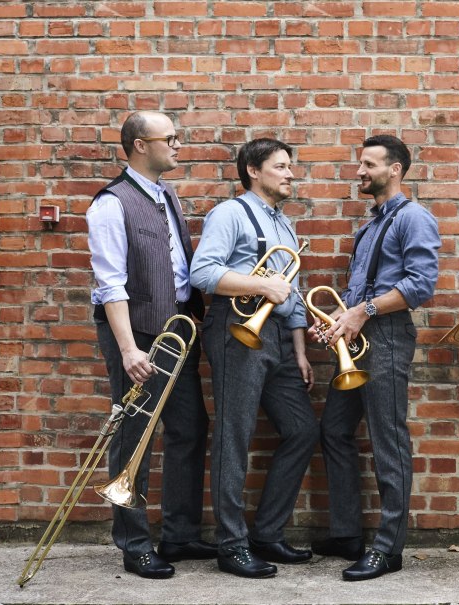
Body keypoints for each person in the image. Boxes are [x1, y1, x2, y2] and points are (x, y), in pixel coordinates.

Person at [86, 110, 216, 579]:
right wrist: (127, 349)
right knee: (134, 434)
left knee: (189, 427)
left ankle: (179, 535)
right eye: (170, 138)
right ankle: (135, 542)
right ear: (141, 144)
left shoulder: (167, 195)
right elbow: (109, 284)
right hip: (137, 333)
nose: (178, 145)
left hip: (177, 328)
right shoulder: (110, 203)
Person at [308, 135, 440, 581]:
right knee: (334, 430)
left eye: (368, 164)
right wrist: (336, 319)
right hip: (361, 336)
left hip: (385, 338)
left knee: (388, 440)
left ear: (395, 169)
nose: (360, 171)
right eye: (360, 163)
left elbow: (420, 286)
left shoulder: (414, 218)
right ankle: (347, 533)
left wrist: (360, 314)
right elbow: (358, 293)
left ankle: (388, 548)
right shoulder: (369, 226)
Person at [190, 138, 319, 579]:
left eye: (290, 167)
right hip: (236, 329)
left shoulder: (284, 225)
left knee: (303, 429)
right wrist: (262, 286)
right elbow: (202, 272)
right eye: (281, 167)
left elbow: (293, 291)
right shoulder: (229, 214)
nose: (289, 174)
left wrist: (299, 351)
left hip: (280, 337)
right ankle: (231, 544)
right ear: (252, 170)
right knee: (234, 436)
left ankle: (266, 534)